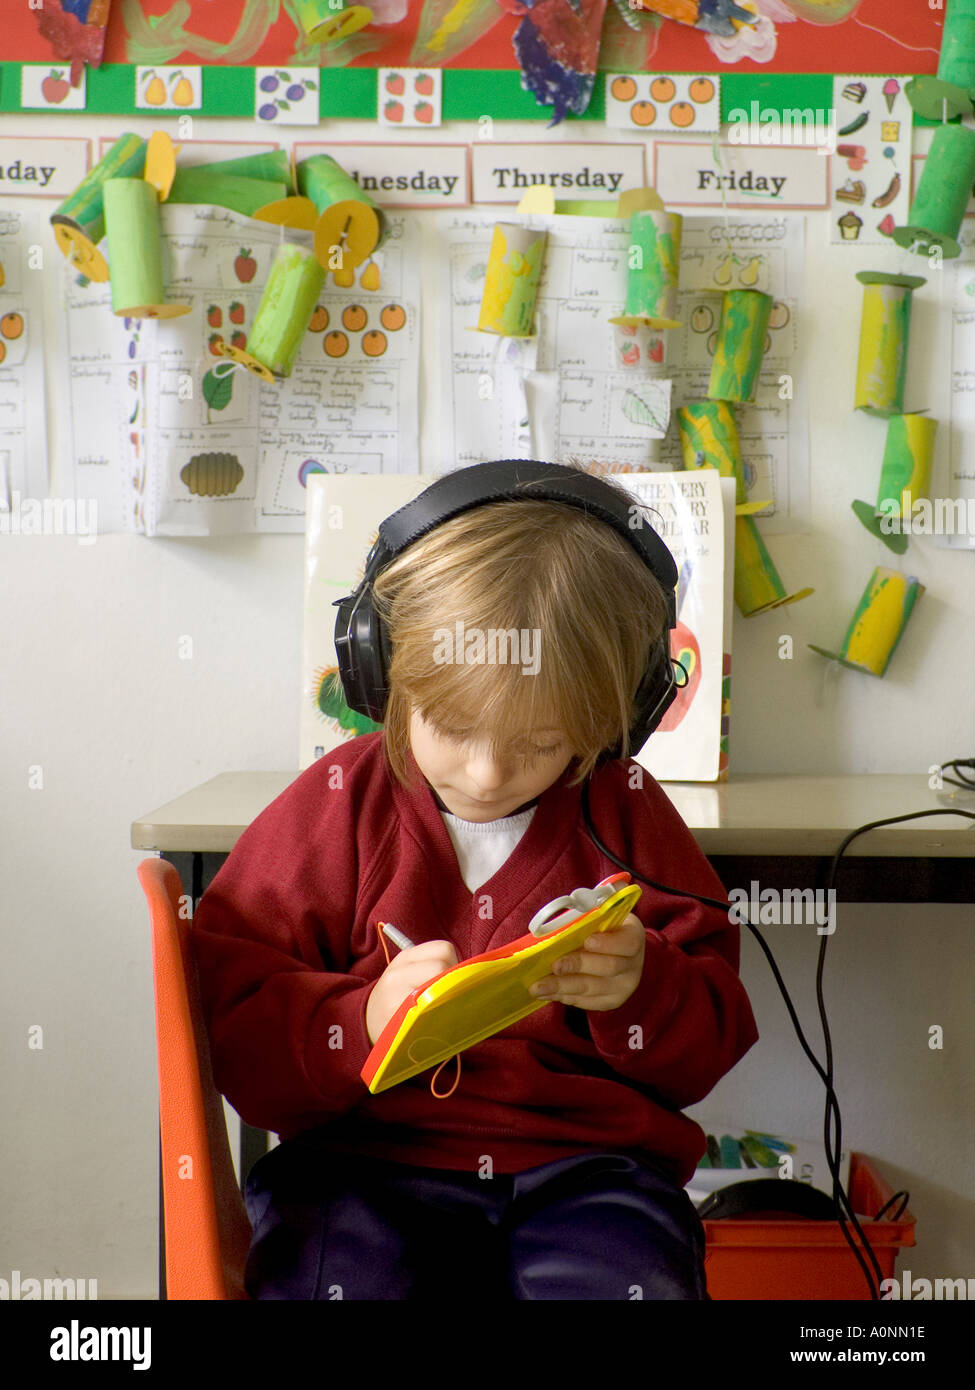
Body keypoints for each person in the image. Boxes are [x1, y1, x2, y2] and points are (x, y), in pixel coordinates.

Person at [190, 461, 759, 1301]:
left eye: (539, 744)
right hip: (361, 1165)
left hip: (587, 1172)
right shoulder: (336, 808)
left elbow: (703, 1046)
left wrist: (643, 989)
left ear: (618, 718)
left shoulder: (625, 810)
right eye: (453, 727)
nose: (489, 774)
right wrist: (362, 1019)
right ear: (383, 677)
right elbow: (231, 1030)